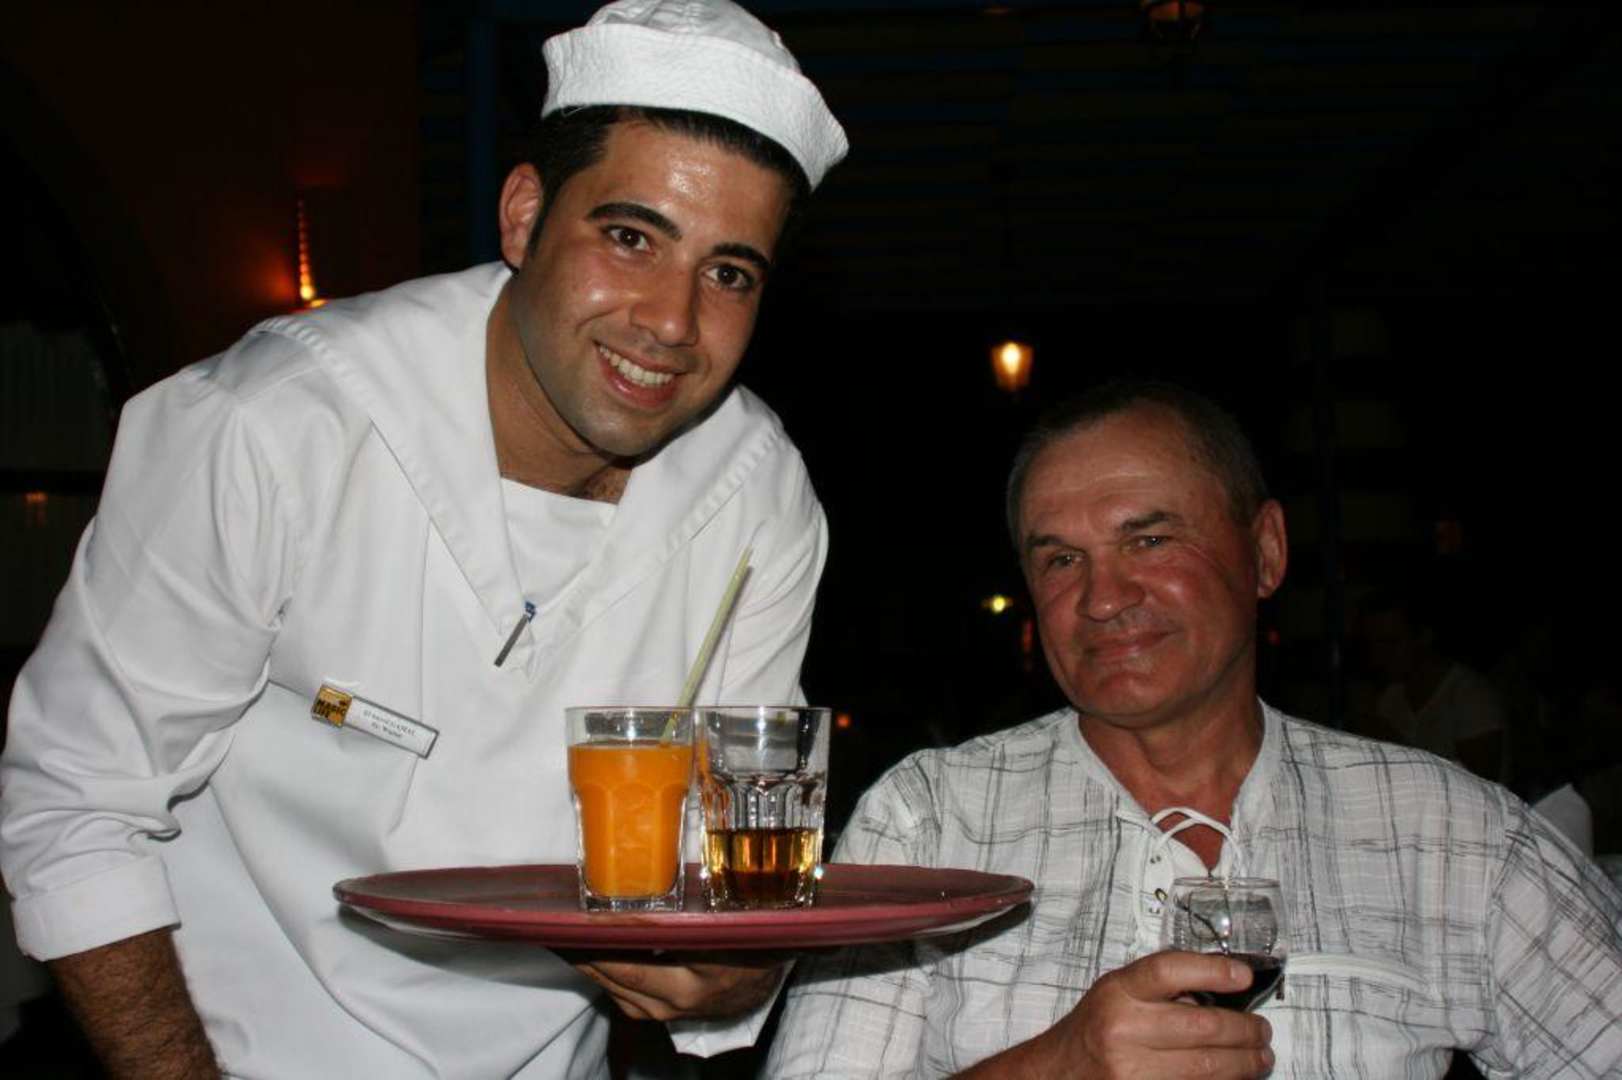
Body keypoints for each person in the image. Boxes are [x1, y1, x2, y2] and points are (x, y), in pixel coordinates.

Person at [0, 2, 846, 1076]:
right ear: (523, 215)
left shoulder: (758, 496)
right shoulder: (274, 428)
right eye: (630, 237)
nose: (671, 321)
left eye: (729, 273)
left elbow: (726, 870)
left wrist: (741, 969)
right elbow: (74, 804)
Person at [767, 380, 1622, 1079]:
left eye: (1149, 540)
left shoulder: (1452, 834)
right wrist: (1056, 1067)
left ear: (1266, 552)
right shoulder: (928, 819)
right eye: (1061, 559)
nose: (1102, 599)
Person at [1358, 584, 1509, 782]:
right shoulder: (1389, 698)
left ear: (1424, 637)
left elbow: (1480, 785)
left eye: (1390, 642)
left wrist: (1393, 741)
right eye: (1372, 644)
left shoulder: (1471, 696)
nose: (1379, 655)